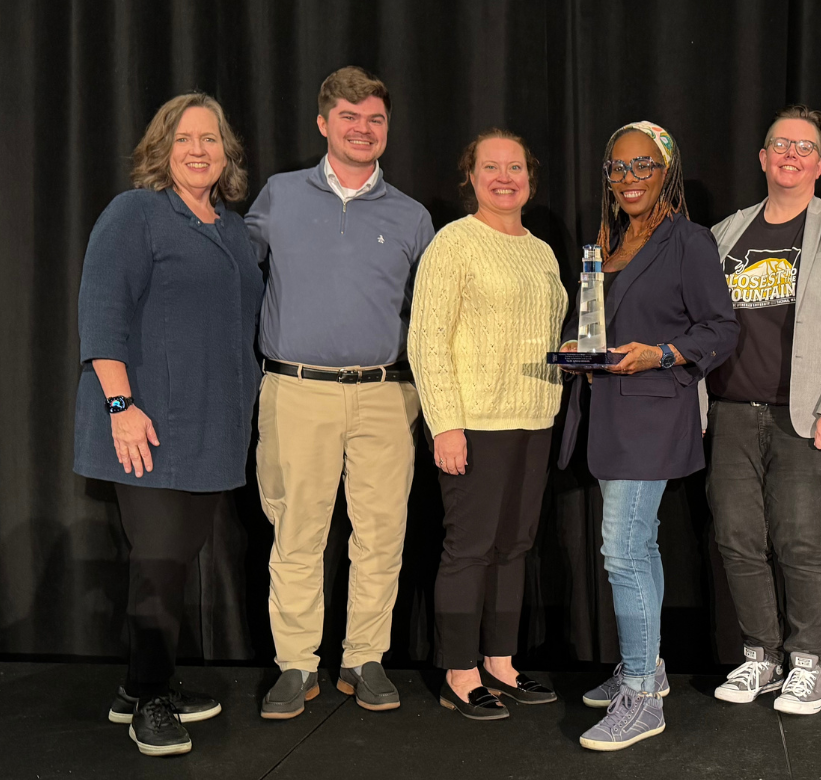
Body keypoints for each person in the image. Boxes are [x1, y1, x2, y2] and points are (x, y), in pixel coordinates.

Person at [74, 93, 262, 756]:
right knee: (157, 564)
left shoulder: (233, 228)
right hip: (146, 425)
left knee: (174, 563)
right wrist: (120, 408)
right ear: (163, 148)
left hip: (212, 429)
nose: (199, 150)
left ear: (227, 152)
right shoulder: (137, 213)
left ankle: (138, 686)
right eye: (184, 139)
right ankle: (152, 702)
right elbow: (101, 315)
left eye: (211, 139)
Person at [248, 66, 436, 719]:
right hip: (295, 389)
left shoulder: (413, 217)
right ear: (324, 123)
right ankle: (296, 666)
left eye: (375, 119)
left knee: (381, 533)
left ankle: (364, 658)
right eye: (350, 117)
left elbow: (434, 315)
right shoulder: (277, 196)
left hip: (386, 395)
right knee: (298, 532)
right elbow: (233, 278)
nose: (363, 129)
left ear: (387, 129)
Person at [558, 121, 739, 750]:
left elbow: (720, 329)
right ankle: (650, 668)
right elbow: (604, 327)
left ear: (666, 171)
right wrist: (579, 348)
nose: (629, 179)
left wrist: (660, 353)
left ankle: (640, 696)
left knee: (622, 551)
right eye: (618, 168)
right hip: (609, 413)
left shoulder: (688, 241)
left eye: (642, 166)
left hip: (653, 414)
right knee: (640, 546)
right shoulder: (607, 242)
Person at [704, 106, 821, 714]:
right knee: (737, 538)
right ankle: (762, 656)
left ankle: (811, 664)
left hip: (810, 416)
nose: (791, 155)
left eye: (805, 148)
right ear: (762, 157)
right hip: (732, 411)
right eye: (781, 145)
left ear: (820, 164)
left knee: (802, 541)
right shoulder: (725, 233)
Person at [406, 129, 567, 720]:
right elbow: (427, 340)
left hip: (534, 418)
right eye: (491, 167)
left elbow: (545, 335)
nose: (505, 177)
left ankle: (501, 663)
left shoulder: (542, 251)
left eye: (516, 167)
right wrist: (444, 423)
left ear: (531, 176)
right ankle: (459, 669)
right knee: (470, 548)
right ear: (470, 177)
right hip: (474, 421)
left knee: (515, 547)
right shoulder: (455, 243)